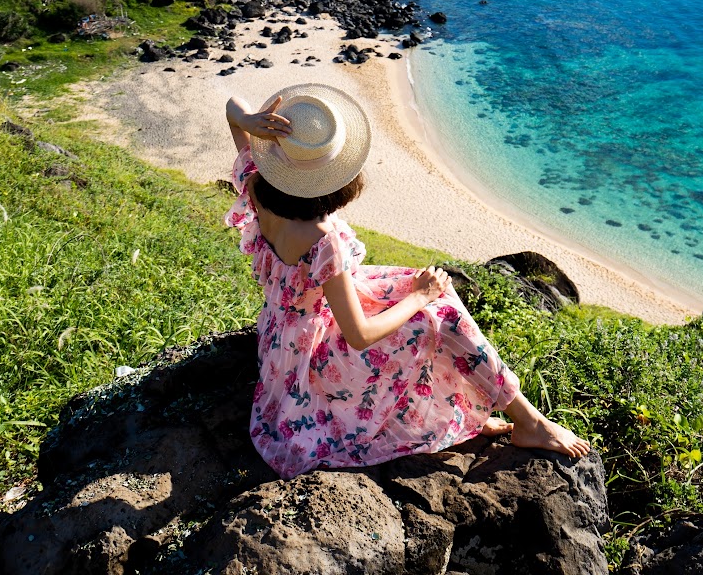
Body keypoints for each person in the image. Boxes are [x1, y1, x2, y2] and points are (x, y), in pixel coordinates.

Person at [224, 82, 592, 479]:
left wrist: (249, 121)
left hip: (282, 336)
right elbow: (359, 335)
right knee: (440, 313)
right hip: (315, 352)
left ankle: (467, 408)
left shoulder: (257, 182)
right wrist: (419, 297)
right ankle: (528, 421)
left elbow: (233, 106)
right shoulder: (323, 239)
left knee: (429, 295)